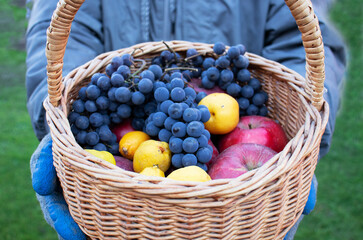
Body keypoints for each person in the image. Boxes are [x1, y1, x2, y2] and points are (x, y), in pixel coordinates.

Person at [26, 0, 347, 239]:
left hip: (235, 173)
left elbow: (300, 39)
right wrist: (59, 118)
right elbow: (62, 29)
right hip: (123, 134)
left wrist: (304, 136)